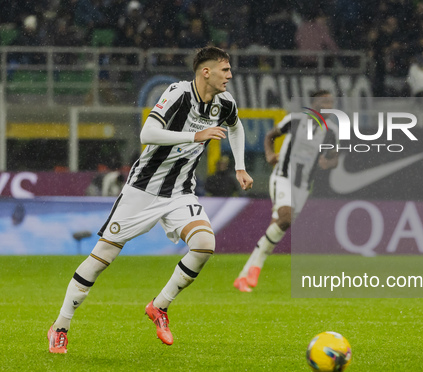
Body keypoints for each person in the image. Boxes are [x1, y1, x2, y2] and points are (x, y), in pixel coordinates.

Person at [47, 46, 253, 353]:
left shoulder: (224, 103)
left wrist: (240, 167)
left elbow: (235, 127)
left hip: (180, 191)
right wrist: (194, 136)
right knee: (101, 258)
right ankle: (60, 326)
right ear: (206, 72)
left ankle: (160, 306)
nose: (230, 75)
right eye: (225, 70)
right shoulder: (178, 94)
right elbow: (148, 133)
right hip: (143, 189)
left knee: (204, 245)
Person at [234, 90, 337, 292]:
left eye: (332, 102)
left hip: (303, 187)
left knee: (278, 227)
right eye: (326, 101)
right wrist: (270, 154)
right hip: (283, 177)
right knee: (285, 218)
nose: (330, 106)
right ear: (314, 103)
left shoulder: (331, 131)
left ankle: (244, 276)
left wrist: (328, 162)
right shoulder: (295, 120)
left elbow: (335, 157)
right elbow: (271, 135)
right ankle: (255, 268)